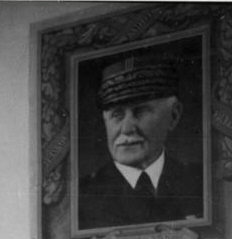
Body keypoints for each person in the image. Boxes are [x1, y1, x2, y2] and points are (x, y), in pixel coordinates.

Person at [78, 55, 203, 230]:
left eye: (141, 111)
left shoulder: (200, 183)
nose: (127, 128)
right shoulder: (80, 197)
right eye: (117, 115)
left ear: (174, 116)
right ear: (105, 120)